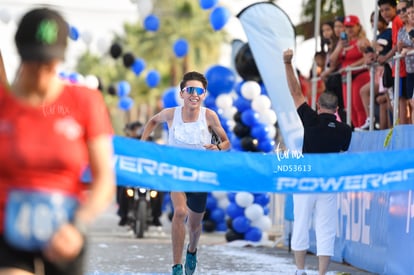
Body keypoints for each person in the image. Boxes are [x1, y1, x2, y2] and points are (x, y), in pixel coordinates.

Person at [0, 7, 115, 275]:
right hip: (6, 235)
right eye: (33, 62)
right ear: (19, 56)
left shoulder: (85, 102)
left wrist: (78, 225)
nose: (41, 72)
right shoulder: (4, 104)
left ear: (60, 59)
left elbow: (104, 181)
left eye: (49, 64)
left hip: (66, 235)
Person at [140, 71, 230, 275]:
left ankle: (192, 250)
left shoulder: (209, 116)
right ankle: (176, 266)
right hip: (177, 173)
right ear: (182, 93)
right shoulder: (171, 114)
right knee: (180, 213)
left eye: (199, 90)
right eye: (189, 89)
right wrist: (142, 144)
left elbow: (226, 142)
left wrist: (218, 148)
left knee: (195, 226)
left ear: (204, 94)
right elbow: (153, 121)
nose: (194, 94)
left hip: (199, 176)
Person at [283, 49, 352, 275]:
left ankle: (300, 270)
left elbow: (295, 92)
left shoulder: (310, 120)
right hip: (329, 182)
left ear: (318, 107)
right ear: (337, 110)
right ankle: (322, 273)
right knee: (326, 229)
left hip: (305, 179)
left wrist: (287, 63)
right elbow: (344, 150)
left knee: (301, 225)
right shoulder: (345, 130)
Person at [330, 14, 372, 129]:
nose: (349, 30)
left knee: (358, 106)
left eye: (351, 27)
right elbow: (332, 61)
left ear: (358, 26)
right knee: (349, 109)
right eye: (347, 27)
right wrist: (339, 45)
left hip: (359, 76)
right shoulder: (344, 43)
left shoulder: (362, 41)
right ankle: (358, 131)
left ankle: (364, 130)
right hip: (346, 79)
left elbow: (368, 57)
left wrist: (351, 67)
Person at [378, 0, 408, 125]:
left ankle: (403, 128)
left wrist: (385, 57)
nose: (384, 13)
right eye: (382, 10)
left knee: (401, 99)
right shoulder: (395, 22)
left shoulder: (397, 21)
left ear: (395, 8)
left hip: (402, 65)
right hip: (399, 65)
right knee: (399, 99)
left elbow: (397, 44)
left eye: (387, 9)